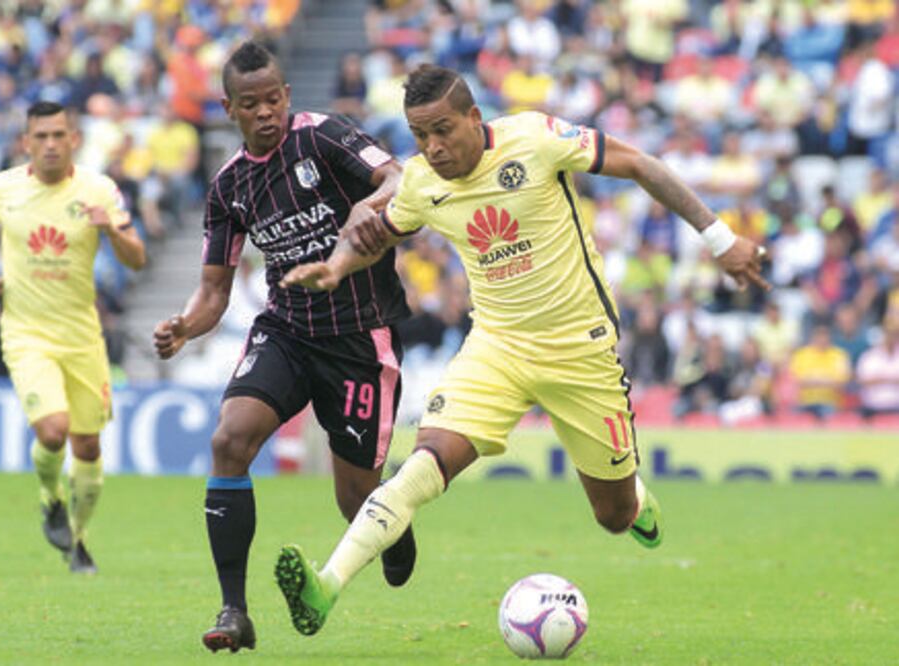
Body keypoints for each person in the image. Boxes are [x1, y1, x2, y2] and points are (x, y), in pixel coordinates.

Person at [273, 64, 769, 636]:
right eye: (420, 135)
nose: (433, 148)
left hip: (579, 352)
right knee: (422, 464)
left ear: (474, 118)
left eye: (443, 130)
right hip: (496, 348)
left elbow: (637, 163)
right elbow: (375, 234)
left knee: (613, 517)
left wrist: (720, 238)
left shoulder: (533, 139)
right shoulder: (420, 183)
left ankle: (633, 495)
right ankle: (326, 587)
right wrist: (335, 268)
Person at [150, 42, 417, 654]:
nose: (266, 111)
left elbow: (398, 177)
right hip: (288, 330)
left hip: (357, 337)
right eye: (251, 104)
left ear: (287, 97)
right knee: (229, 440)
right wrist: (186, 326)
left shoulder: (322, 136)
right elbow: (215, 290)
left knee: (356, 499)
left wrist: (367, 210)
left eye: (274, 99)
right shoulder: (228, 187)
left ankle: (393, 525)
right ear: (228, 109)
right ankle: (234, 610)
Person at [0, 101, 146, 574]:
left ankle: (77, 540)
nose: (49, 144)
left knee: (88, 447)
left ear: (74, 140)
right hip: (25, 331)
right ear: (26, 141)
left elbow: (137, 258)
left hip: (83, 336)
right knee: (53, 430)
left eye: (58, 135)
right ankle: (49, 497)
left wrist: (113, 232)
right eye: (40, 136)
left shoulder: (99, 190)